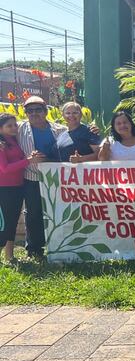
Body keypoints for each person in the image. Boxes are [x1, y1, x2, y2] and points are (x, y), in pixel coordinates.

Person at [16, 96, 67, 259]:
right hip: (31, 177)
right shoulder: (19, 129)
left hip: (55, 178)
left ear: (46, 111)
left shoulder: (60, 130)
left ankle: (59, 245)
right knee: (33, 213)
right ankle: (34, 248)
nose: (34, 113)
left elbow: (78, 137)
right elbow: (3, 130)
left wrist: (92, 130)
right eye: (29, 111)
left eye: (38, 110)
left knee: (58, 211)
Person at [0, 114, 44, 263]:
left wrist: (29, 157)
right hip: (5, 188)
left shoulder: (14, 140)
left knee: (12, 221)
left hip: (18, 186)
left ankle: (9, 255)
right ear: (1, 128)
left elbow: (19, 159)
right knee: (5, 223)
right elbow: (5, 168)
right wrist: (28, 161)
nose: (14, 128)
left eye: (14, 125)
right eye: (9, 126)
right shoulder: (1, 144)